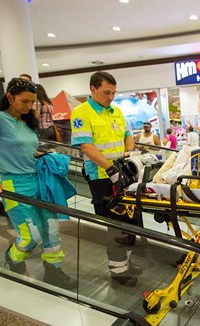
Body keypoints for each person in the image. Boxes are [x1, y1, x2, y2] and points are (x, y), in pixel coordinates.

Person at [0, 78, 75, 289]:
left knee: (51, 229)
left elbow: (26, 151)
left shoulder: (27, 122)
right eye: (25, 101)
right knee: (32, 235)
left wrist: (46, 156)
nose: (30, 107)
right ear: (10, 97)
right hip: (14, 184)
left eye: (32, 102)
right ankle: (13, 257)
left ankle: (54, 270)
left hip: (38, 181)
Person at [70, 71, 142, 287]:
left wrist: (129, 154)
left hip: (125, 175)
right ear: (93, 89)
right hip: (102, 177)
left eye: (113, 93)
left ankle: (125, 262)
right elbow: (86, 146)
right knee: (115, 224)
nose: (110, 97)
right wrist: (111, 169)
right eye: (106, 92)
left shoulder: (116, 112)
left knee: (131, 220)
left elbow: (128, 135)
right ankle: (118, 272)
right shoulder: (82, 113)